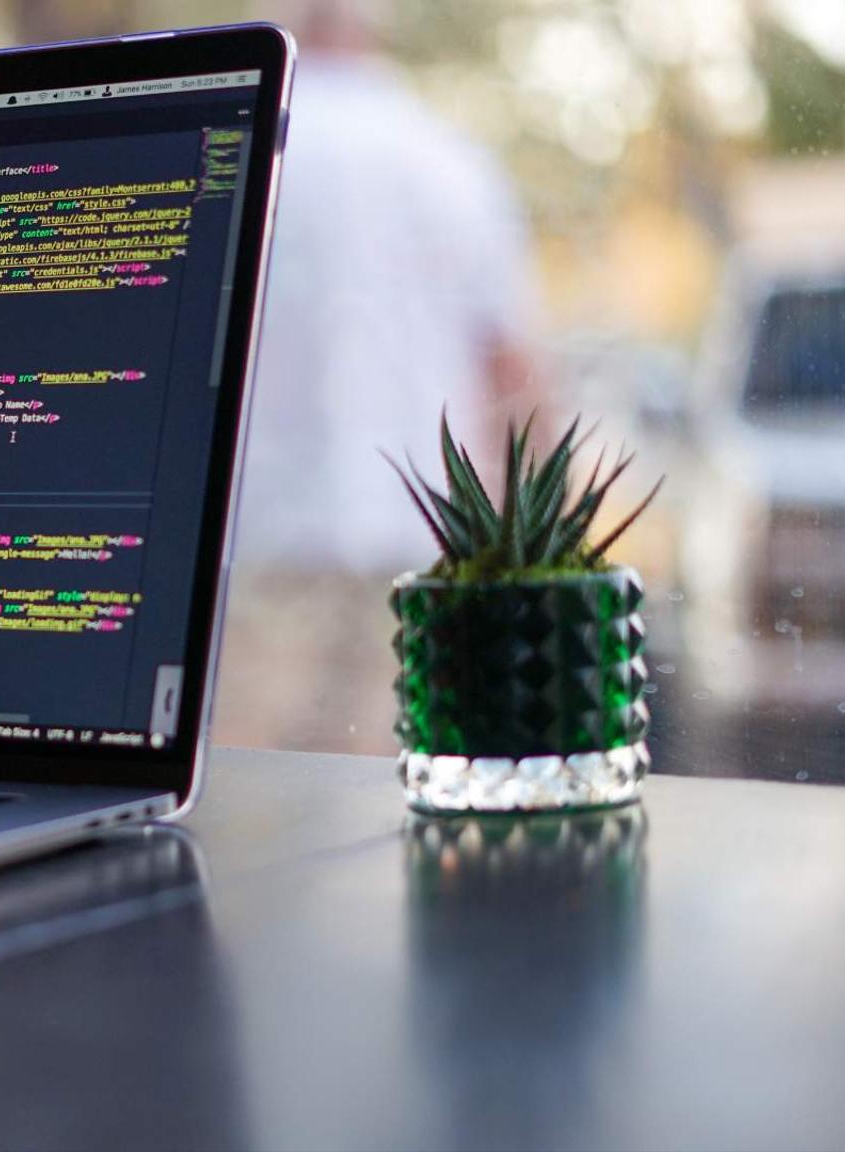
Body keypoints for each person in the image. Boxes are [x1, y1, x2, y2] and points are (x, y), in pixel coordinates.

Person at [214, 0, 544, 754]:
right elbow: (519, 379)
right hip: (423, 556)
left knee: (248, 828)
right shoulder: (451, 161)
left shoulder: (241, 146)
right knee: (392, 819)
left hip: (259, 549)